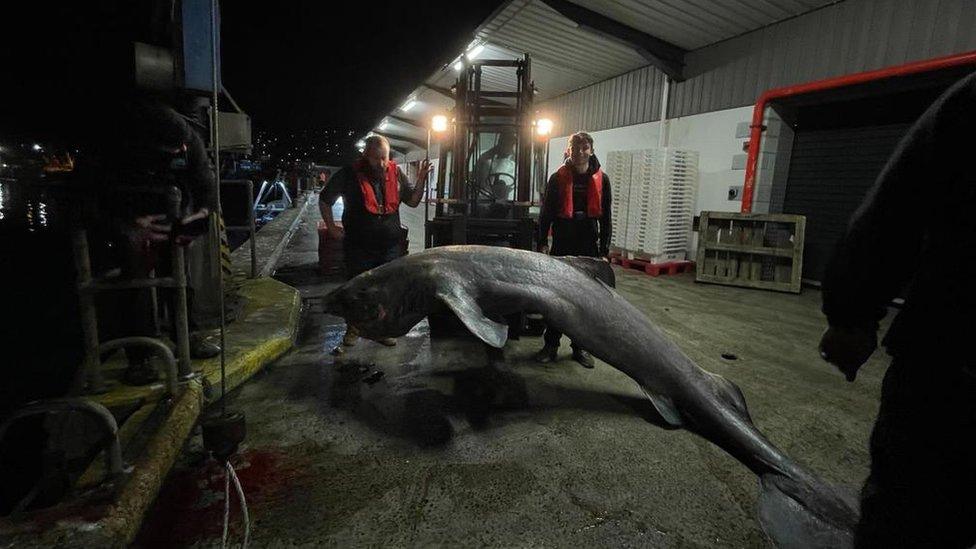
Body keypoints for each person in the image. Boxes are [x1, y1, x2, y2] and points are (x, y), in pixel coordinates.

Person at [818, 71, 976, 548]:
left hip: (952, 359)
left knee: (910, 513)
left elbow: (896, 207)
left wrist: (852, 315)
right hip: (955, 352)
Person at [319, 135, 431, 346]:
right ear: (365, 156)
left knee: (385, 291)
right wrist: (332, 227)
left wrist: (422, 180)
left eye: (384, 158)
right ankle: (352, 330)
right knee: (357, 290)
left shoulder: (396, 173)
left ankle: (381, 331)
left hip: (389, 247)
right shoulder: (349, 174)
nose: (381, 163)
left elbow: (414, 201)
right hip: (358, 246)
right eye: (376, 158)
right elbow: (325, 200)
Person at [534, 131, 612, 368]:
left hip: (588, 241)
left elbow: (606, 217)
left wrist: (604, 250)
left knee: (585, 299)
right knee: (556, 296)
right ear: (569, 150)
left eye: (584, 148)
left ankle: (580, 347)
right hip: (563, 240)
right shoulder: (557, 178)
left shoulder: (602, 179)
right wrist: (542, 242)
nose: (580, 152)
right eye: (575, 148)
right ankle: (551, 345)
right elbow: (546, 213)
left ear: (592, 150)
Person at [473, 131, 518, 218]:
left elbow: (523, 185)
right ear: (500, 142)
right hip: (486, 201)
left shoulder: (518, 163)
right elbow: (478, 181)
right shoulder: (486, 160)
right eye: (506, 142)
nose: (508, 146)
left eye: (510, 143)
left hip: (510, 202)